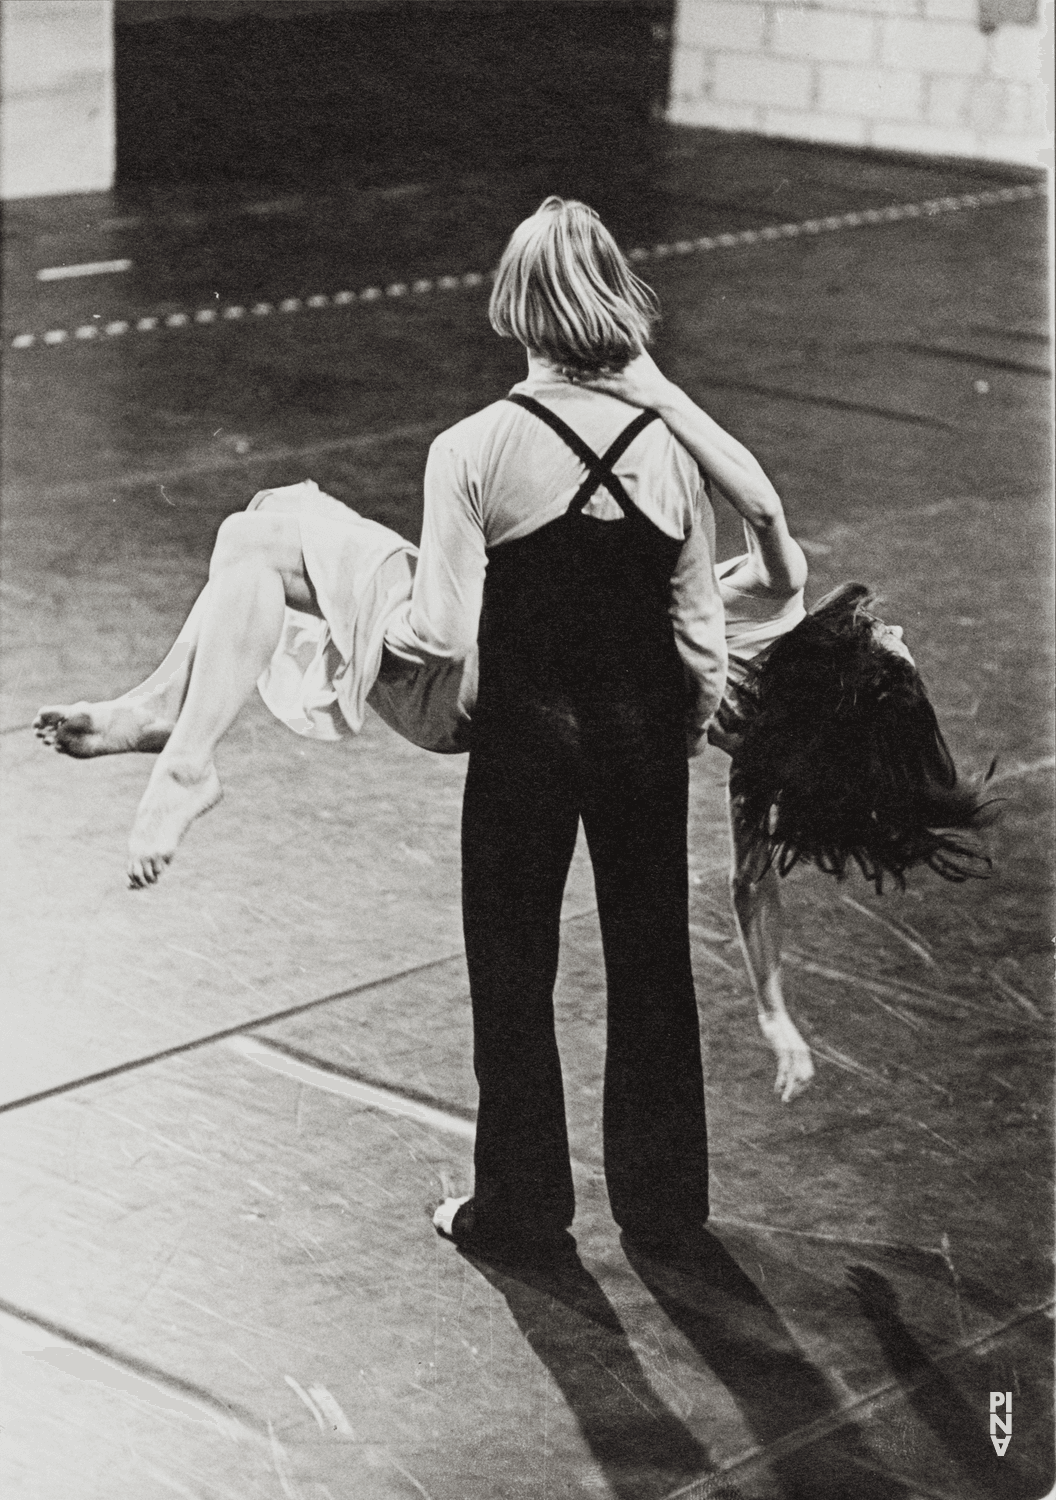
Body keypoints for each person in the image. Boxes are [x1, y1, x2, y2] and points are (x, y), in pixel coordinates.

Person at [578, 353, 995, 1105]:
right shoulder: (765, 751)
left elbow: (764, 511)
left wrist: (656, 389)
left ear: (856, 674)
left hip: (601, 536)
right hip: (586, 644)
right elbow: (751, 885)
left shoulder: (777, 596)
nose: (892, 625)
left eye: (888, 640)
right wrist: (773, 1014)